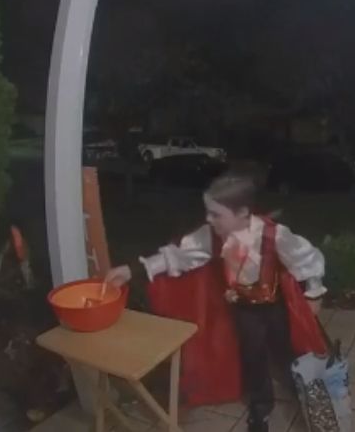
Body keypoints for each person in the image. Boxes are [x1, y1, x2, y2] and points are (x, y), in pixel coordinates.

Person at [103, 171, 328, 432]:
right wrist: (132, 271)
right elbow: (179, 256)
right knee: (253, 357)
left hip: (276, 307)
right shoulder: (209, 236)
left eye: (216, 214)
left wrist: (314, 292)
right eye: (208, 212)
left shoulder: (273, 235)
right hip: (244, 309)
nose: (209, 219)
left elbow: (307, 259)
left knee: (293, 353)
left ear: (242, 212)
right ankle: (260, 409)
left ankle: (313, 402)